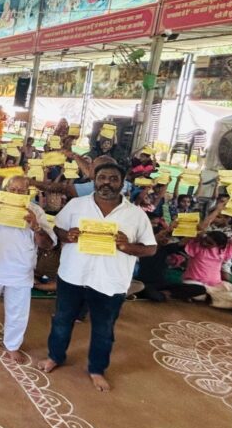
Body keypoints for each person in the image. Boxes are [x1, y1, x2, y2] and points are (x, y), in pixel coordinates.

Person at [38, 163, 156, 392]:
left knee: (104, 329)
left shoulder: (135, 214)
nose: (106, 183)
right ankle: (55, 356)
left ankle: (97, 369)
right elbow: (58, 229)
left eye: (113, 178)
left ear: (122, 183)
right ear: (95, 180)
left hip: (110, 281)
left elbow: (150, 248)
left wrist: (128, 246)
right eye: (102, 177)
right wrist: (67, 235)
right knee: (62, 320)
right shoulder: (76, 205)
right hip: (73, 274)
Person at [0, 175, 56, 361]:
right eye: (12, 190)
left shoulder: (36, 211)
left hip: (20, 269)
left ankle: (12, 345)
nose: (16, 193)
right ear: (5, 190)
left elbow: (48, 244)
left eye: (21, 191)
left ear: (28, 193)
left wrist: (36, 226)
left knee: (17, 311)